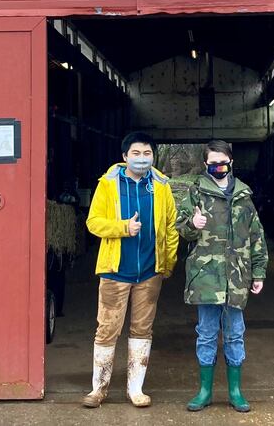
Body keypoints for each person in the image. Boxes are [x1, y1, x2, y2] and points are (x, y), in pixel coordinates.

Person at [83, 131, 179, 408]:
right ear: (124, 157)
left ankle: (135, 389)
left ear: (154, 156)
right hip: (115, 271)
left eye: (147, 153)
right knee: (107, 329)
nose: (141, 159)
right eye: (135, 154)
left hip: (150, 272)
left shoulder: (161, 186)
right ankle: (98, 389)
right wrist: (123, 228)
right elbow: (93, 222)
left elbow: (171, 227)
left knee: (142, 329)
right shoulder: (109, 184)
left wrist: (168, 263)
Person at [176, 139, 268, 413]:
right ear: (205, 164)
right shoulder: (196, 193)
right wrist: (193, 224)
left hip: (237, 276)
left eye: (223, 162)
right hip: (206, 277)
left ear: (231, 162)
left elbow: (256, 237)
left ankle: (235, 391)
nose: (219, 167)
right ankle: (204, 391)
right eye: (213, 163)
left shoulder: (243, 197)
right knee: (205, 333)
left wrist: (259, 271)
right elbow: (181, 229)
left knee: (235, 334)